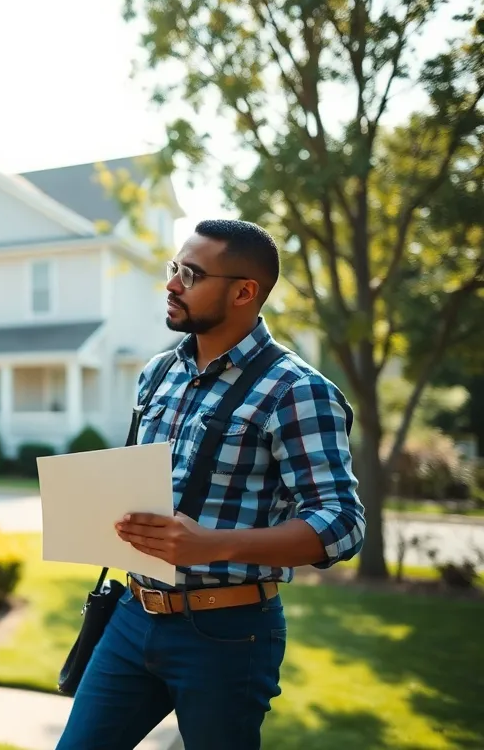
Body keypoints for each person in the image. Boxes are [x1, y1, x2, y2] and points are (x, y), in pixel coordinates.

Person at [55, 219, 365, 750]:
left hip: (229, 634)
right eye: (174, 268)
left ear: (245, 292)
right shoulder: (157, 372)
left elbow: (341, 523)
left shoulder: (298, 391)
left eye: (191, 274)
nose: (173, 284)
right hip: (132, 615)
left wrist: (212, 544)